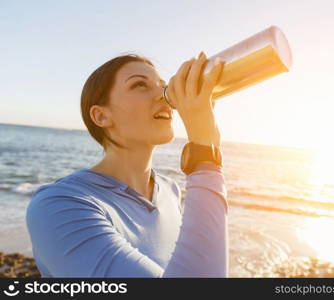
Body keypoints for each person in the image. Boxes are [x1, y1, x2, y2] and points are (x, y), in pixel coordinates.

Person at [25, 51, 228, 277]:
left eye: (163, 85)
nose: (164, 95)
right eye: (140, 85)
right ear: (101, 116)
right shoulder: (58, 206)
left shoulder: (170, 191)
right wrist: (204, 152)